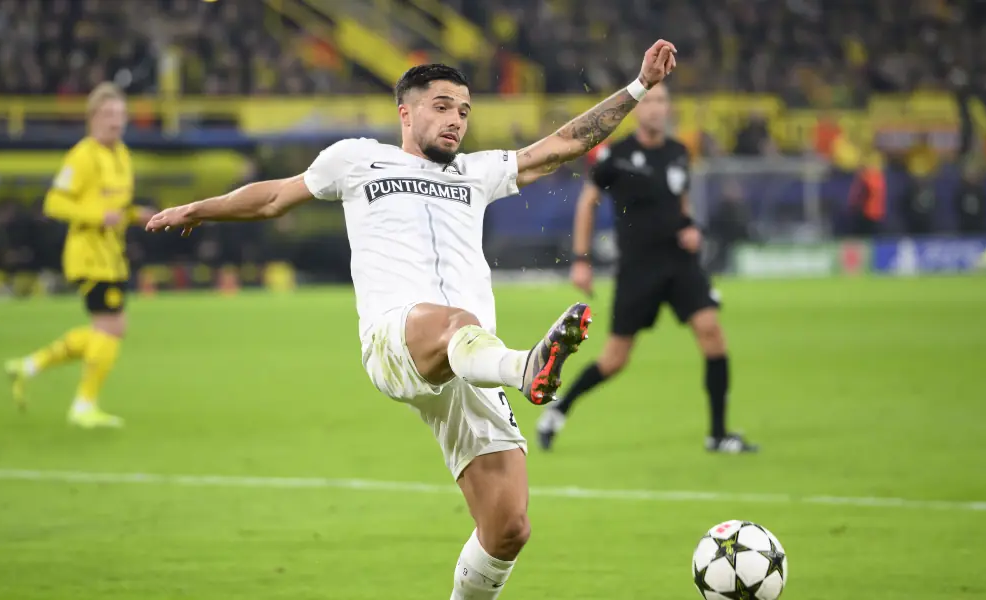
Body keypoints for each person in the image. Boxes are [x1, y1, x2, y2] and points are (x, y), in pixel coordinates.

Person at [146, 41, 677, 599]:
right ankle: (527, 367)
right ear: (407, 110)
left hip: (471, 359)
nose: (456, 121)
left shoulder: (476, 173)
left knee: (507, 527)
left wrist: (638, 87)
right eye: (443, 106)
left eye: (465, 111)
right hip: (397, 339)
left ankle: (515, 372)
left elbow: (563, 146)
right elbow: (276, 196)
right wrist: (199, 208)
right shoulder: (356, 159)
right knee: (455, 321)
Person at [536, 83, 758, 454]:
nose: (656, 108)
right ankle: (560, 409)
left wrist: (690, 228)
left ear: (668, 109)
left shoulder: (678, 153)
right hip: (638, 269)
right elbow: (587, 202)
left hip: (679, 262)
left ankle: (718, 434)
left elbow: (681, 203)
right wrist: (580, 260)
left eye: (662, 101)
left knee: (711, 332)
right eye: (649, 101)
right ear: (639, 109)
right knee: (615, 359)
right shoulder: (615, 156)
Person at [5, 83, 152, 428]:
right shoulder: (82, 155)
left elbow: (118, 206)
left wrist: (138, 214)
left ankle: (30, 366)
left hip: (111, 255)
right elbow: (54, 202)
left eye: (120, 114)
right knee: (111, 327)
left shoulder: (122, 155)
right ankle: (82, 404)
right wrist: (97, 216)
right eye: (108, 114)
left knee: (110, 328)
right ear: (92, 119)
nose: (115, 122)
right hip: (88, 256)